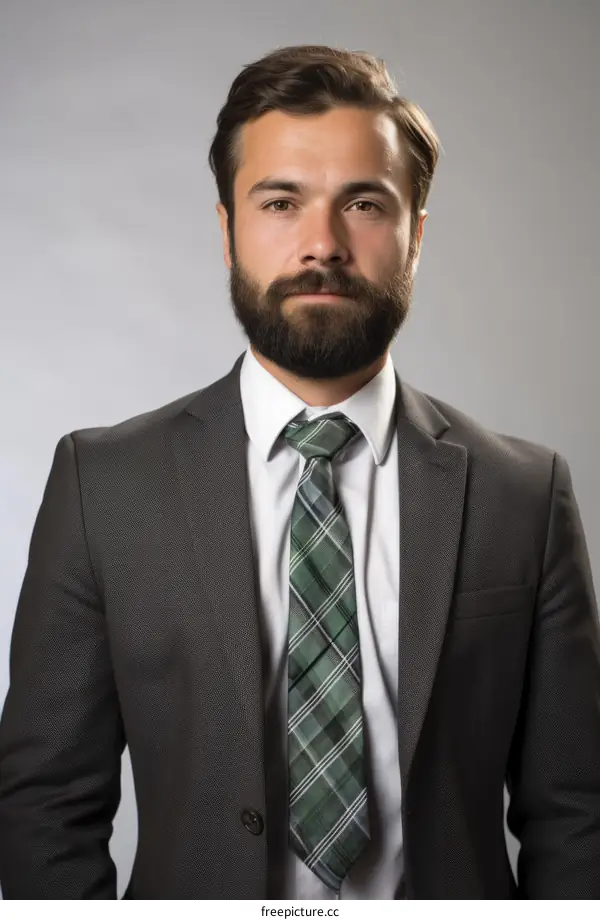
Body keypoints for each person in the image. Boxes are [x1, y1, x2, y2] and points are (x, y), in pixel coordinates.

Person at [0, 43, 599, 901]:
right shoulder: (104, 488)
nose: (323, 245)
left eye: (364, 203)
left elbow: (577, 814)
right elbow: (43, 810)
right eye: (281, 203)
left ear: (416, 235)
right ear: (227, 231)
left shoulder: (525, 497)